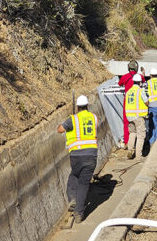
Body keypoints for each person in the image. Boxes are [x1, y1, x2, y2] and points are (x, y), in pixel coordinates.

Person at [57, 94, 97, 222]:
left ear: (77, 106)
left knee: (74, 176)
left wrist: (63, 123)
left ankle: (73, 199)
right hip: (91, 154)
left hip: (77, 155)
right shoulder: (93, 117)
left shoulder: (72, 119)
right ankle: (79, 213)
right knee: (84, 183)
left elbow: (60, 130)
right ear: (87, 105)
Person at [117, 60, 145, 148]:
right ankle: (138, 144)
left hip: (128, 101)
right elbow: (143, 80)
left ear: (128, 67)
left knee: (126, 122)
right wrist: (143, 73)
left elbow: (119, 83)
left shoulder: (125, 76)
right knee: (139, 123)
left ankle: (127, 142)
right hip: (138, 102)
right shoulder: (139, 76)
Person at [124, 73, 149, 160]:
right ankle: (138, 156)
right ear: (140, 83)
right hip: (138, 116)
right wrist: (148, 104)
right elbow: (146, 102)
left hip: (130, 116)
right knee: (141, 135)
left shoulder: (128, 91)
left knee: (132, 133)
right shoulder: (140, 91)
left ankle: (130, 151)